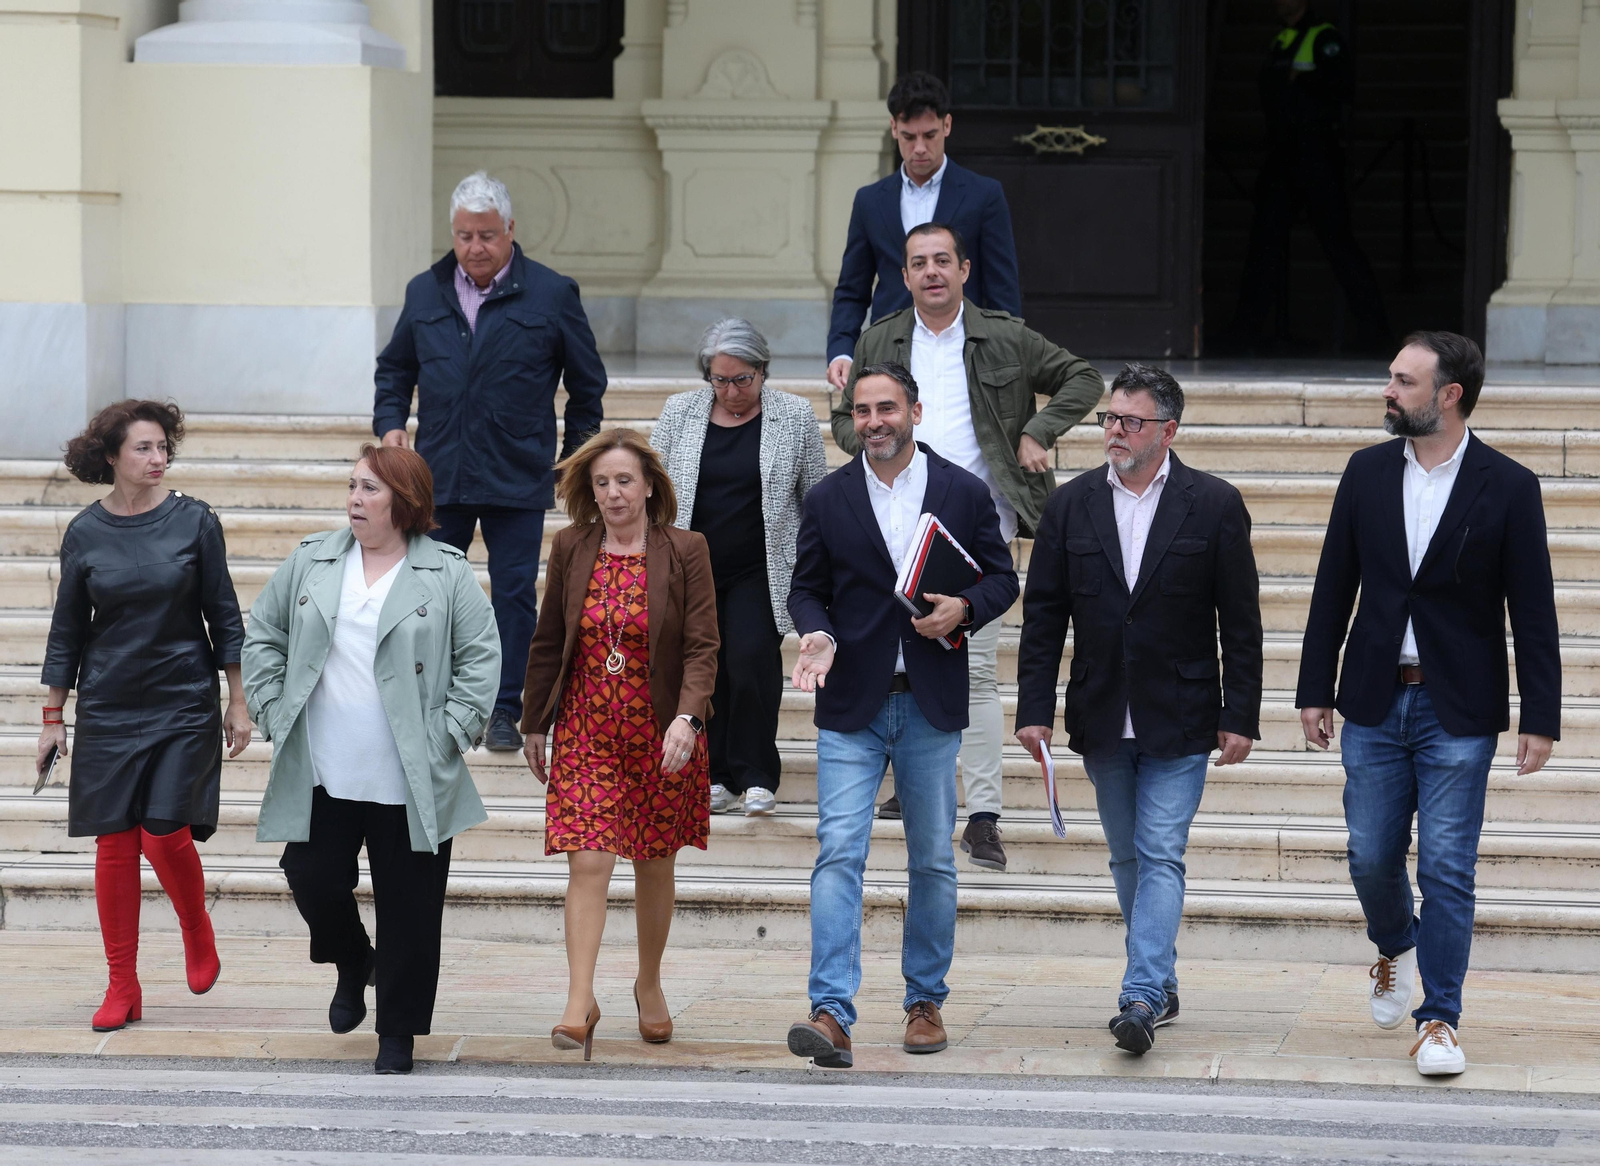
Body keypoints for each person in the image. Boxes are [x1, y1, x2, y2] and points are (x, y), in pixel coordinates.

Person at [1296, 331, 1561, 1077]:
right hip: (1375, 699)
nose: (1388, 390)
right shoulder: (1366, 472)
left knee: (1448, 865)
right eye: (1390, 377)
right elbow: (1332, 587)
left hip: (1459, 706)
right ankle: (1395, 944)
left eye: (1404, 381)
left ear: (1449, 395)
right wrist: (1315, 687)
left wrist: (1541, 714)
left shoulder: (1508, 485)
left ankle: (1439, 1018)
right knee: (1370, 853)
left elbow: (1533, 610)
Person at [834, 221, 1104, 867]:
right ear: (903, 276)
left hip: (976, 530)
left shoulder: (1003, 335)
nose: (931, 271)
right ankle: (916, 783)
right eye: (918, 263)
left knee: (974, 670)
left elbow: (1083, 377)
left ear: (963, 270)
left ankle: (983, 816)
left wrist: (1038, 430)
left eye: (942, 261)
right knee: (900, 658)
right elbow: (849, 417)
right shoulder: (881, 338)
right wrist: (868, 446)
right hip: (895, 523)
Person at [1014, 364, 1263, 1057]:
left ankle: (1142, 993)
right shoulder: (1069, 506)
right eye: (1109, 420)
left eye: (1130, 421)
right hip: (1101, 712)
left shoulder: (1212, 504)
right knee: (1127, 855)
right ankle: (1160, 978)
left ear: (1168, 430)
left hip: (1181, 714)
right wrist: (1033, 707)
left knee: (1160, 851)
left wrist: (1240, 712)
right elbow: (1044, 619)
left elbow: (1240, 623)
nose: (1114, 432)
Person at [786, 362, 1019, 1069]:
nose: (874, 421)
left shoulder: (962, 489)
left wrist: (965, 607)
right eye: (861, 410)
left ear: (915, 412)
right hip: (852, 704)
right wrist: (817, 635)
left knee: (931, 862)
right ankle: (830, 1012)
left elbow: (1002, 577)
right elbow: (806, 591)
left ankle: (925, 1002)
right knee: (838, 856)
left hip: (929, 701)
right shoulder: (829, 497)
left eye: (886, 407)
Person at [242, 444, 501, 1076]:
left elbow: (481, 657)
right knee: (311, 876)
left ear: (404, 504)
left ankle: (398, 1035)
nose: (355, 499)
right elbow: (264, 632)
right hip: (324, 768)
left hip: (410, 773)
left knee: (411, 910)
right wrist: (272, 708)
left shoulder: (445, 572)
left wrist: (450, 732)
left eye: (371, 490)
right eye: (353, 486)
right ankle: (354, 958)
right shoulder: (313, 558)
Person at [375, 170, 607, 753]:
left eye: (486, 235)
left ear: (510, 231)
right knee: (428, 593)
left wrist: (572, 459)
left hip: (516, 473)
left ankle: (507, 709)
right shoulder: (424, 291)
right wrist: (391, 424)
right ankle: (433, 703)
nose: (474, 247)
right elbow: (395, 369)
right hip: (438, 475)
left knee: (511, 596)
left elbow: (587, 385)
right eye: (463, 236)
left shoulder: (552, 293)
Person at [39, 399, 250, 1032]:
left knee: (161, 831)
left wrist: (237, 701)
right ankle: (122, 985)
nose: (158, 459)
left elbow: (226, 615)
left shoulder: (195, 523)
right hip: (107, 704)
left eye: (163, 447)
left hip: (182, 699)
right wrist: (53, 715)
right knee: (113, 845)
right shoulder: (84, 532)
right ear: (111, 457)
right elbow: (66, 630)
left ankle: (195, 925)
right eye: (143, 449)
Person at [520, 429, 719, 1059]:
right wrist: (533, 720)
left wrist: (688, 719)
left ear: (650, 485)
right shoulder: (572, 546)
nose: (612, 493)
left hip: (662, 733)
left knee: (654, 861)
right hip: (586, 729)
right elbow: (549, 638)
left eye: (624, 480)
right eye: (601, 482)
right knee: (589, 860)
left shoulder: (685, 549)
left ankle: (649, 982)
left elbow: (701, 646)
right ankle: (579, 1002)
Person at [650, 319, 828, 816]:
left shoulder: (792, 415)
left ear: (763, 370)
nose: (731, 391)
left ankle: (756, 774)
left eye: (742, 379)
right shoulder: (680, 411)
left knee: (750, 662)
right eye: (720, 380)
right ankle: (716, 775)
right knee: (707, 669)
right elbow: (654, 483)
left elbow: (816, 494)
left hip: (760, 565)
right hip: (692, 566)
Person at [826, 71, 1020, 394]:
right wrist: (841, 350)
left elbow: (1003, 289)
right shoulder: (869, 200)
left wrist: (1006, 356)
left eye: (929, 135)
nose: (919, 148)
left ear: (947, 125)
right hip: (887, 353)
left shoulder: (984, 195)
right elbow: (852, 288)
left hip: (962, 352)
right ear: (893, 129)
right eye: (908, 136)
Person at [1226, 0, 1391, 352]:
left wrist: (1302, 81)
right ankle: (1246, 333)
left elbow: (1341, 88)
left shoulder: (1324, 37)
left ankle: (1375, 334)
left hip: (1317, 155)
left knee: (1338, 243)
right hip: (1282, 154)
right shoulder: (1281, 40)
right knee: (1264, 245)